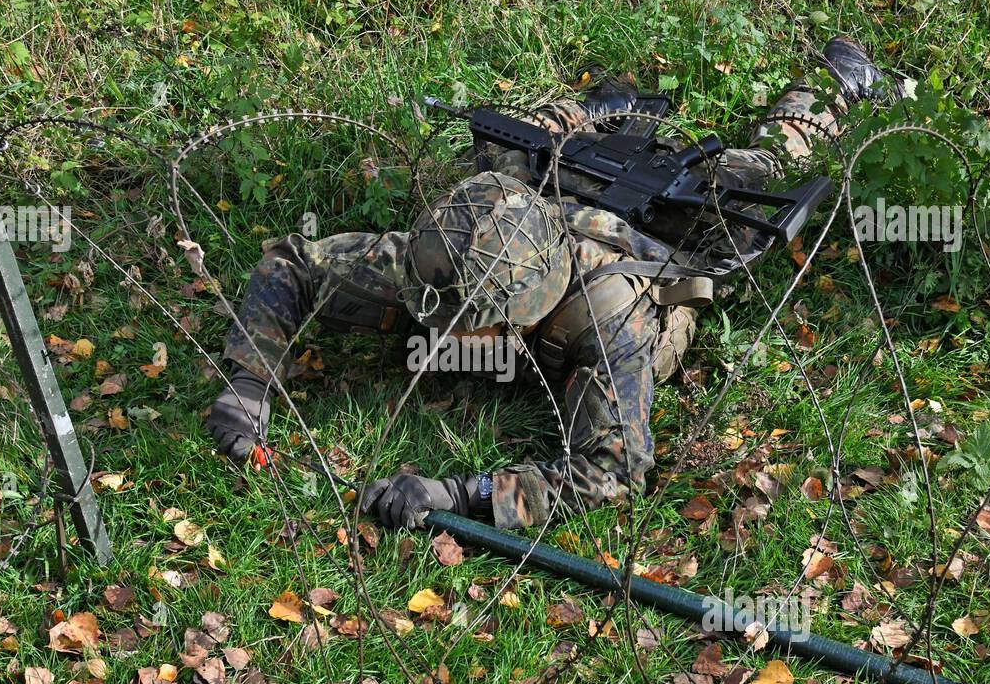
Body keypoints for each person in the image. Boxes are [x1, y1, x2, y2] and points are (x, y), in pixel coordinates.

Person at [206, 38, 898, 530]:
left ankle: (833, 86)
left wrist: (460, 493)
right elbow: (290, 264)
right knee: (515, 140)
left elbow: (612, 474)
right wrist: (247, 381)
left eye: (464, 320)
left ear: (517, 314)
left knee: (751, 176)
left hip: (656, 230)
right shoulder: (448, 254)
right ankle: (606, 107)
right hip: (555, 196)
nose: (439, 324)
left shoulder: (612, 319)